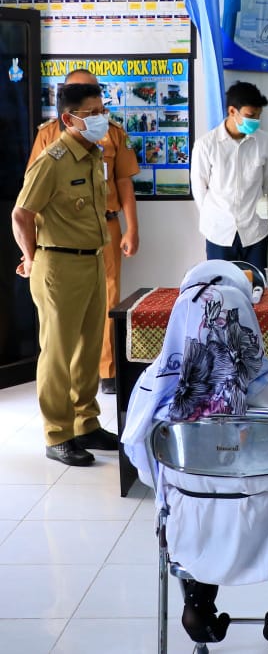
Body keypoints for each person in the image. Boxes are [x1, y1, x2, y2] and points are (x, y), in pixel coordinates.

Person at [122, 260, 268, 648]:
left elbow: (148, 470)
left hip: (191, 535)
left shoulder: (155, 386)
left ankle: (198, 606)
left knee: (195, 503)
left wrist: (203, 475)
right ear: (244, 316)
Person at [12, 82, 119, 466]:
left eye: (101, 110)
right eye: (91, 114)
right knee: (58, 354)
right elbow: (21, 214)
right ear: (68, 118)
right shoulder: (52, 160)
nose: (100, 118)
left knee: (89, 349)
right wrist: (32, 256)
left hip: (91, 260)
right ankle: (57, 434)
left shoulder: (91, 155)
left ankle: (86, 423)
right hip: (58, 265)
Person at [27, 68, 140, 395]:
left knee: (107, 300)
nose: (97, 114)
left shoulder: (113, 132)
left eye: (97, 102)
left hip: (105, 227)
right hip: (59, 239)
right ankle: (65, 391)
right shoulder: (49, 136)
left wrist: (132, 228)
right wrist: (30, 251)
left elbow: (123, 182)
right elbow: (29, 203)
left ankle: (106, 370)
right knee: (63, 313)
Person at [190, 81, 268, 273]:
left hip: (256, 230)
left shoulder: (266, 142)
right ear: (232, 111)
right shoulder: (206, 145)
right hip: (218, 232)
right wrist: (214, 217)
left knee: (259, 290)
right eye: (250, 116)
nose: (256, 121)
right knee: (220, 291)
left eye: (259, 116)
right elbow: (199, 187)